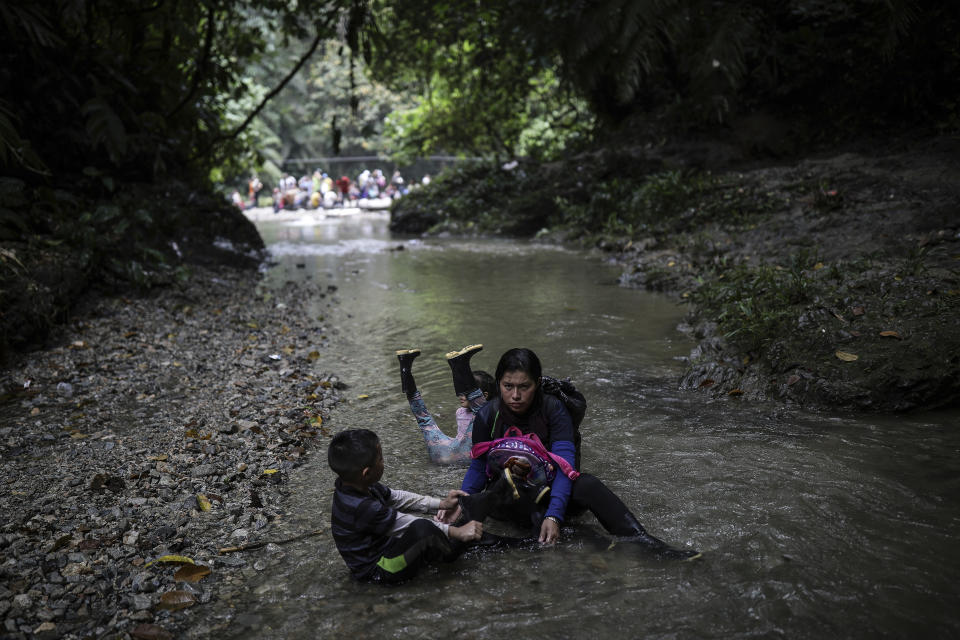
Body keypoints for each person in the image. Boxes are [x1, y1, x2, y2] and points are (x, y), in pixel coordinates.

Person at [449, 347, 701, 560]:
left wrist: (555, 515)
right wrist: (463, 500)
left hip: (552, 491)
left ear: (537, 384)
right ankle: (574, 537)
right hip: (512, 497)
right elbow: (478, 466)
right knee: (487, 496)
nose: (515, 395)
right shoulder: (486, 415)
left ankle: (642, 542)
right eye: (508, 386)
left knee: (587, 483)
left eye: (524, 386)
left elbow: (565, 467)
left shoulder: (553, 409)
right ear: (498, 384)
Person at [328, 428, 485, 584]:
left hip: (388, 548)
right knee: (423, 528)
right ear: (367, 473)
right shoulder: (361, 507)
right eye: (381, 459)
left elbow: (398, 498)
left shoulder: (357, 485)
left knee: (430, 529)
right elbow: (404, 523)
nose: (384, 462)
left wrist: (442, 504)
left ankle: (459, 540)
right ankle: (453, 552)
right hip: (379, 571)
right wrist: (456, 532)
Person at [396, 344, 494, 465]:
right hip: (463, 456)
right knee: (481, 412)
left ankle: (404, 365)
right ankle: (460, 364)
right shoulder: (487, 412)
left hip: (441, 453)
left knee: (424, 421)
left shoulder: (467, 412)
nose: (461, 395)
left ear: (485, 395)